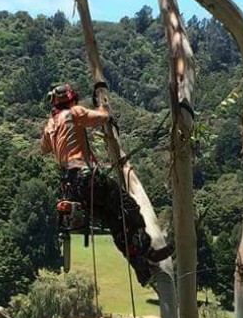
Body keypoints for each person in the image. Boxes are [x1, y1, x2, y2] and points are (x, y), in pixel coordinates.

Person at [40, 83, 173, 285]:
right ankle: (146, 250)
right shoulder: (74, 112)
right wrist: (101, 103)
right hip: (86, 178)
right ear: (71, 99)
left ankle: (139, 266)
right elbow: (102, 117)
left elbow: (44, 148)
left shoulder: (51, 125)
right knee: (128, 207)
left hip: (73, 188)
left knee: (114, 220)